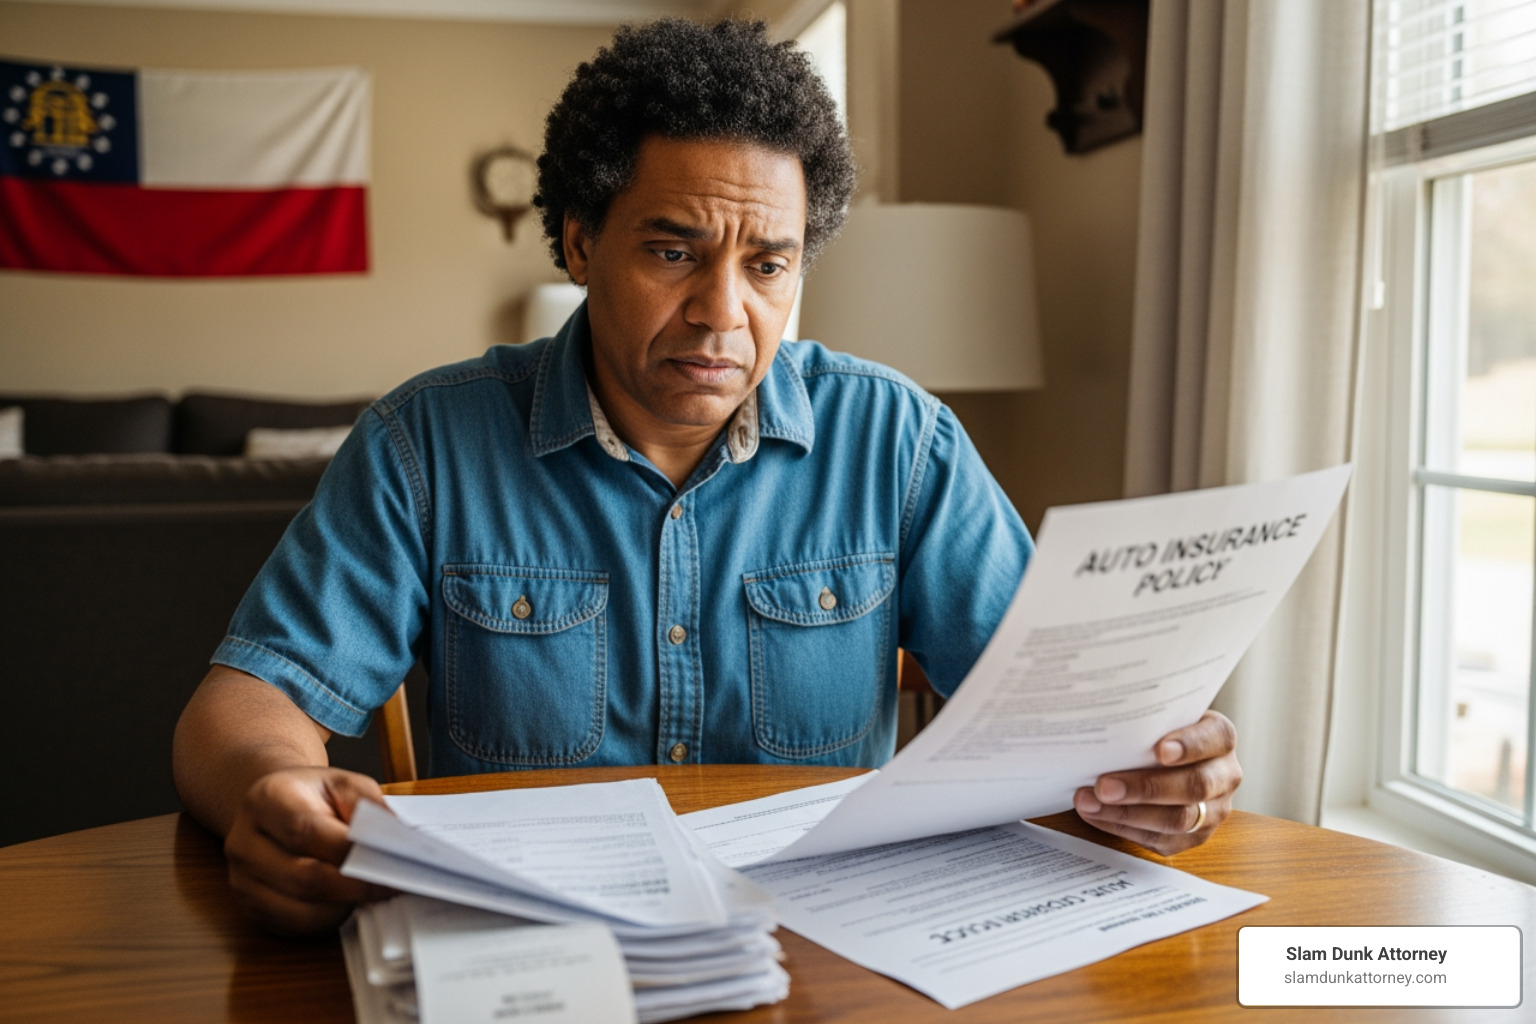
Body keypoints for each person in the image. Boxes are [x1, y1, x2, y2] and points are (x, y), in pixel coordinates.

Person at [173, 18, 1241, 936]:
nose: (724, 312)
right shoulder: (427, 443)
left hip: (831, 948)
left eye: (767, 264)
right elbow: (245, 705)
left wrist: (1156, 776)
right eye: (674, 252)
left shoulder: (897, 441)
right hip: (535, 952)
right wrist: (272, 790)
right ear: (581, 242)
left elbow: (1057, 724)